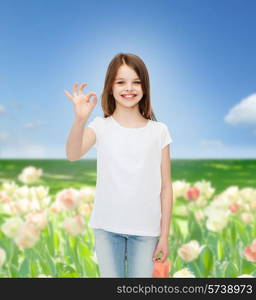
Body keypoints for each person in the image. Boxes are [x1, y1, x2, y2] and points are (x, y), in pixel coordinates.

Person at [64, 53, 173, 278]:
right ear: (110, 88)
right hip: (106, 228)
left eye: (136, 82)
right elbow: (73, 154)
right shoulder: (101, 126)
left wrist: (164, 235)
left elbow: (166, 188)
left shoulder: (159, 131)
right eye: (121, 82)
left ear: (145, 87)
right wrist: (80, 119)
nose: (129, 88)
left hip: (146, 231)